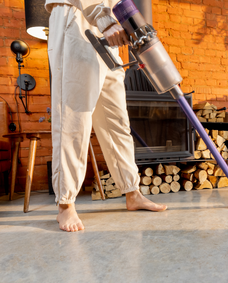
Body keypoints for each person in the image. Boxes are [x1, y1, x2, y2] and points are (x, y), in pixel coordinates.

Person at [44, 0, 167, 232]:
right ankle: (65, 204)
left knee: (116, 120)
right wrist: (103, 17)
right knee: (74, 119)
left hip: (105, 22)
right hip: (76, 16)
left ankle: (132, 192)